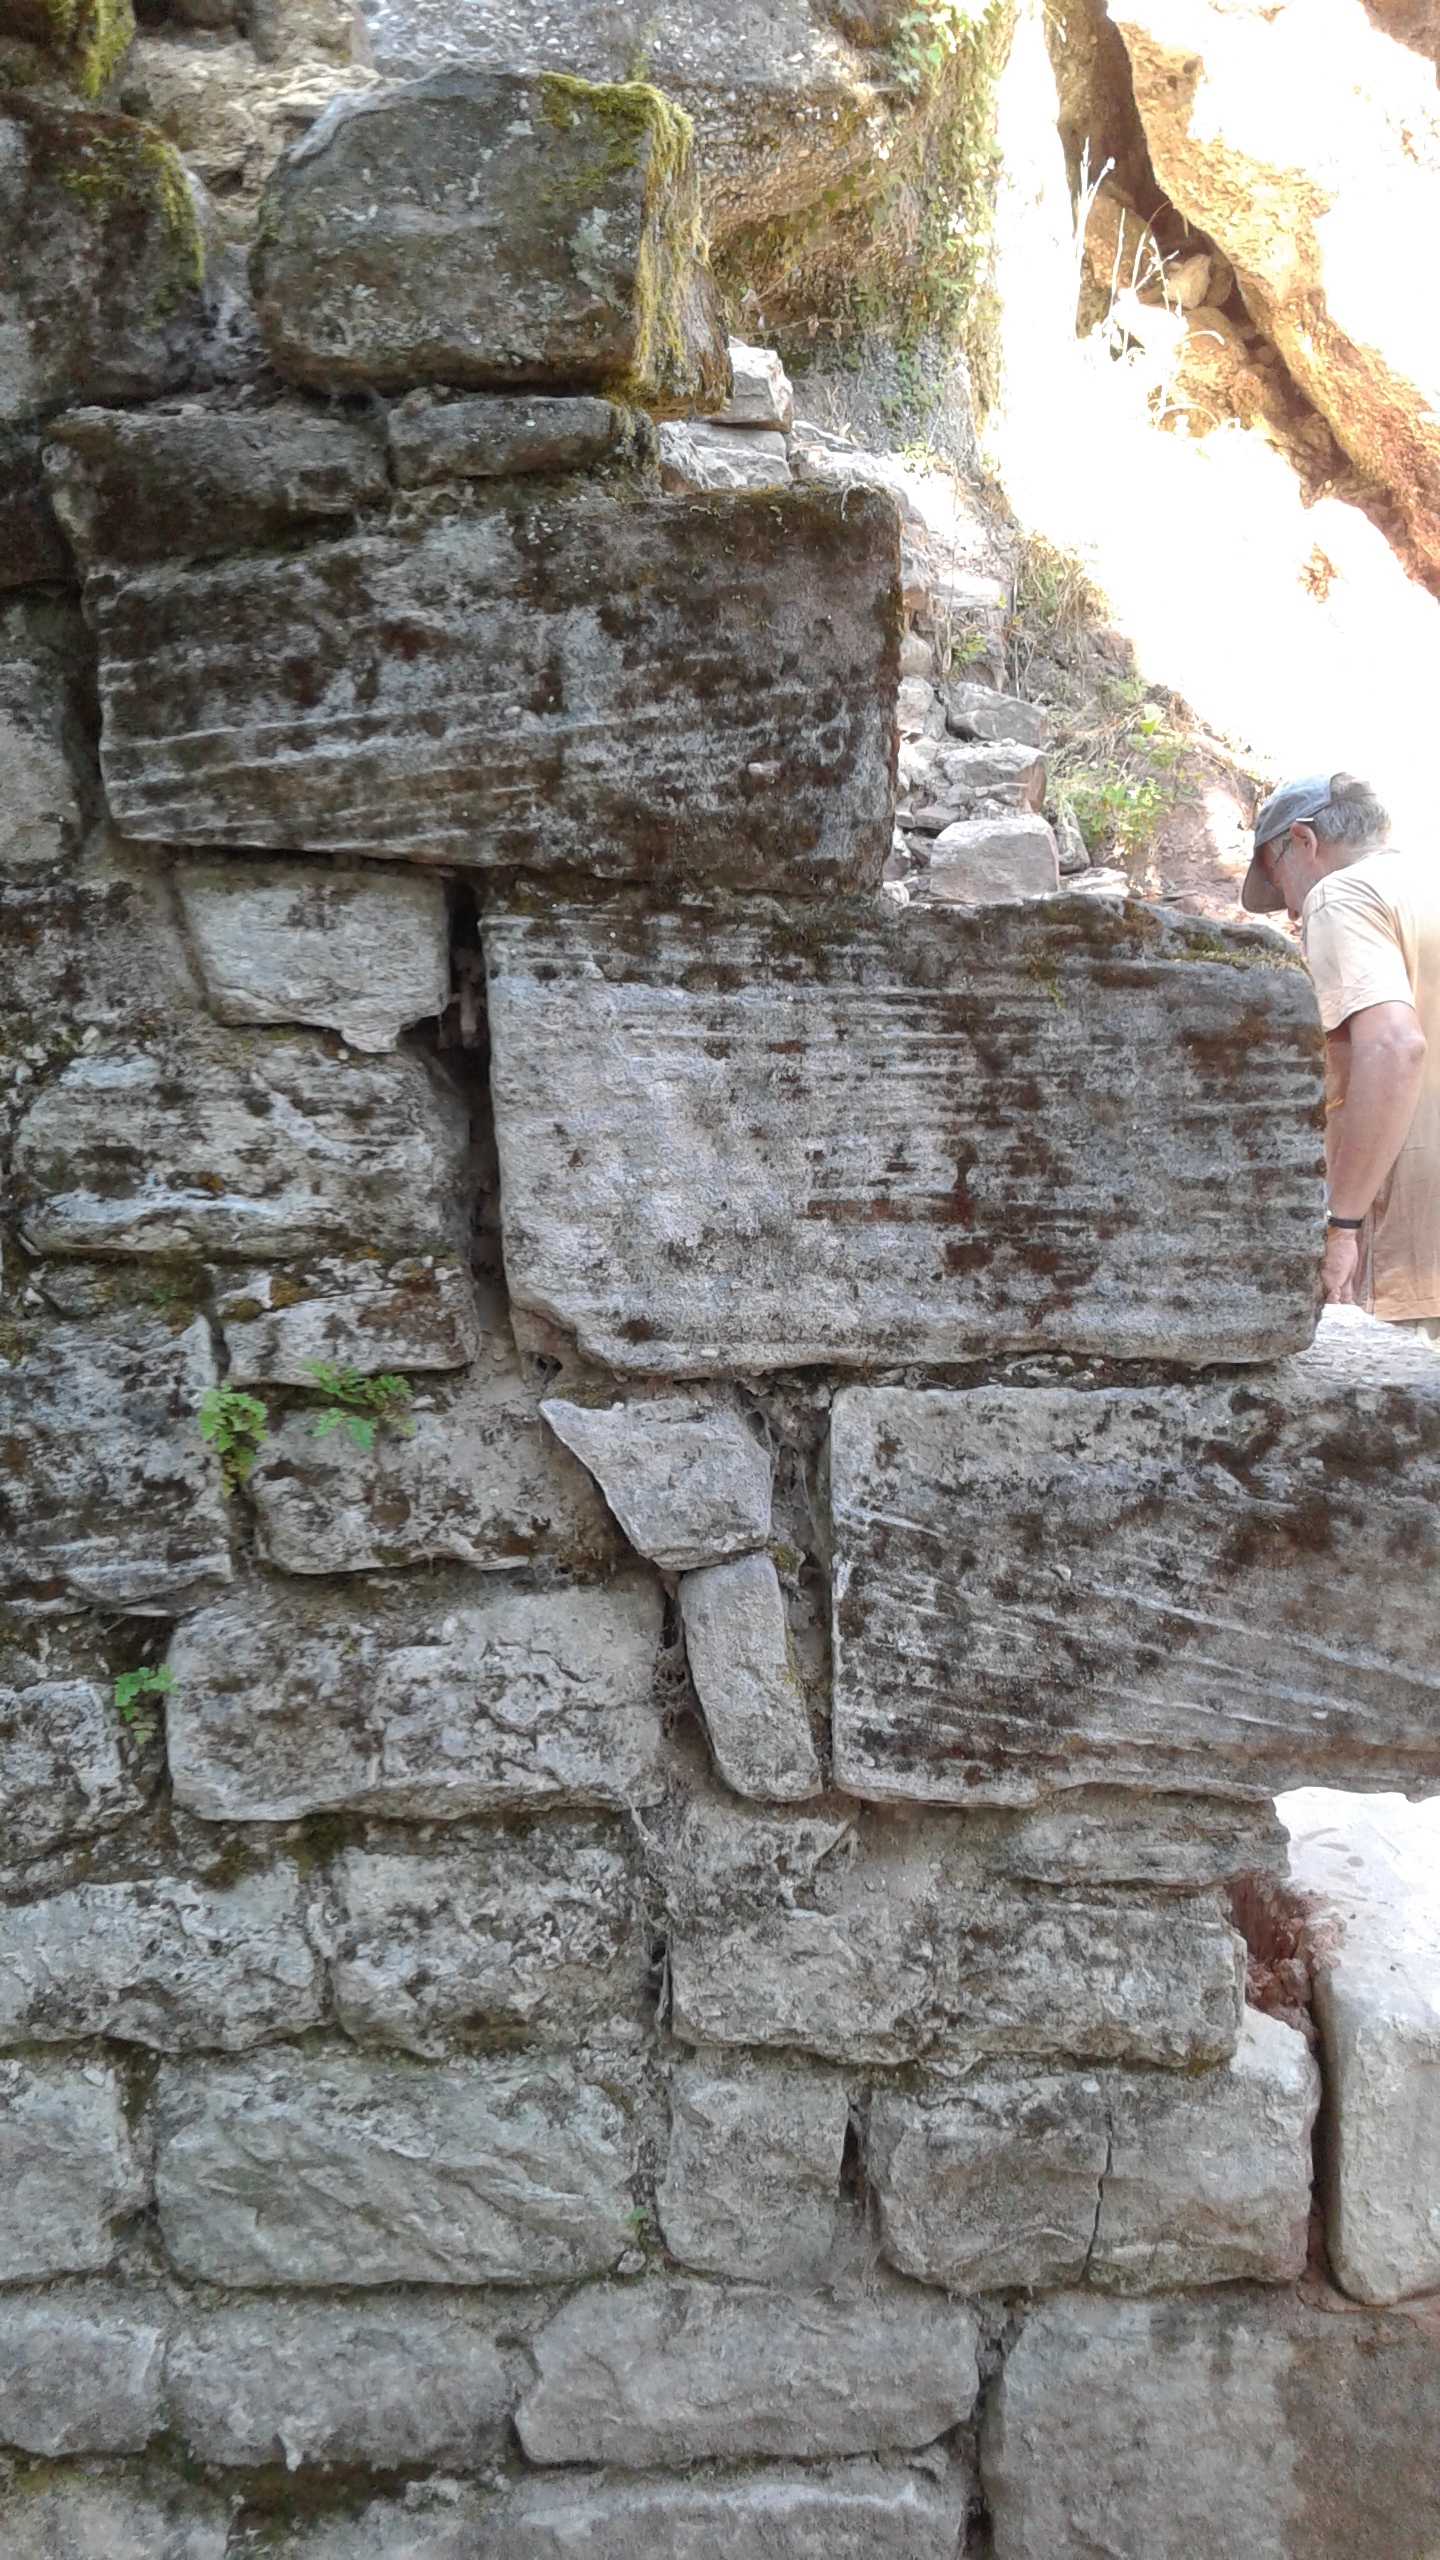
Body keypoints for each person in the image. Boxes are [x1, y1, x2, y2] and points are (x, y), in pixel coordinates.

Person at [1241, 771, 1440, 1338]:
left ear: (1303, 840)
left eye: (1277, 879)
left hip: (1410, 1247)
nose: (1290, 910)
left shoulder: (1341, 896)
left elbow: (1395, 1045)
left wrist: (1343, 1223)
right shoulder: (1426, 883)